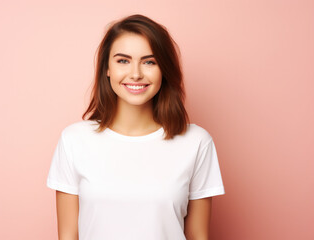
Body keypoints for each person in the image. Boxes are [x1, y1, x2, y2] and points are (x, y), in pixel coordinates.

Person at [46, 14, 225, 240]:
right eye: (123, 60)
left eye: (149, 62)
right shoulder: (73, 140)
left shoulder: (196, 142)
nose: (136, 74)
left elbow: (198, 235)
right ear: (107, 69)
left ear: (164, 70)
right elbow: (68, 235)